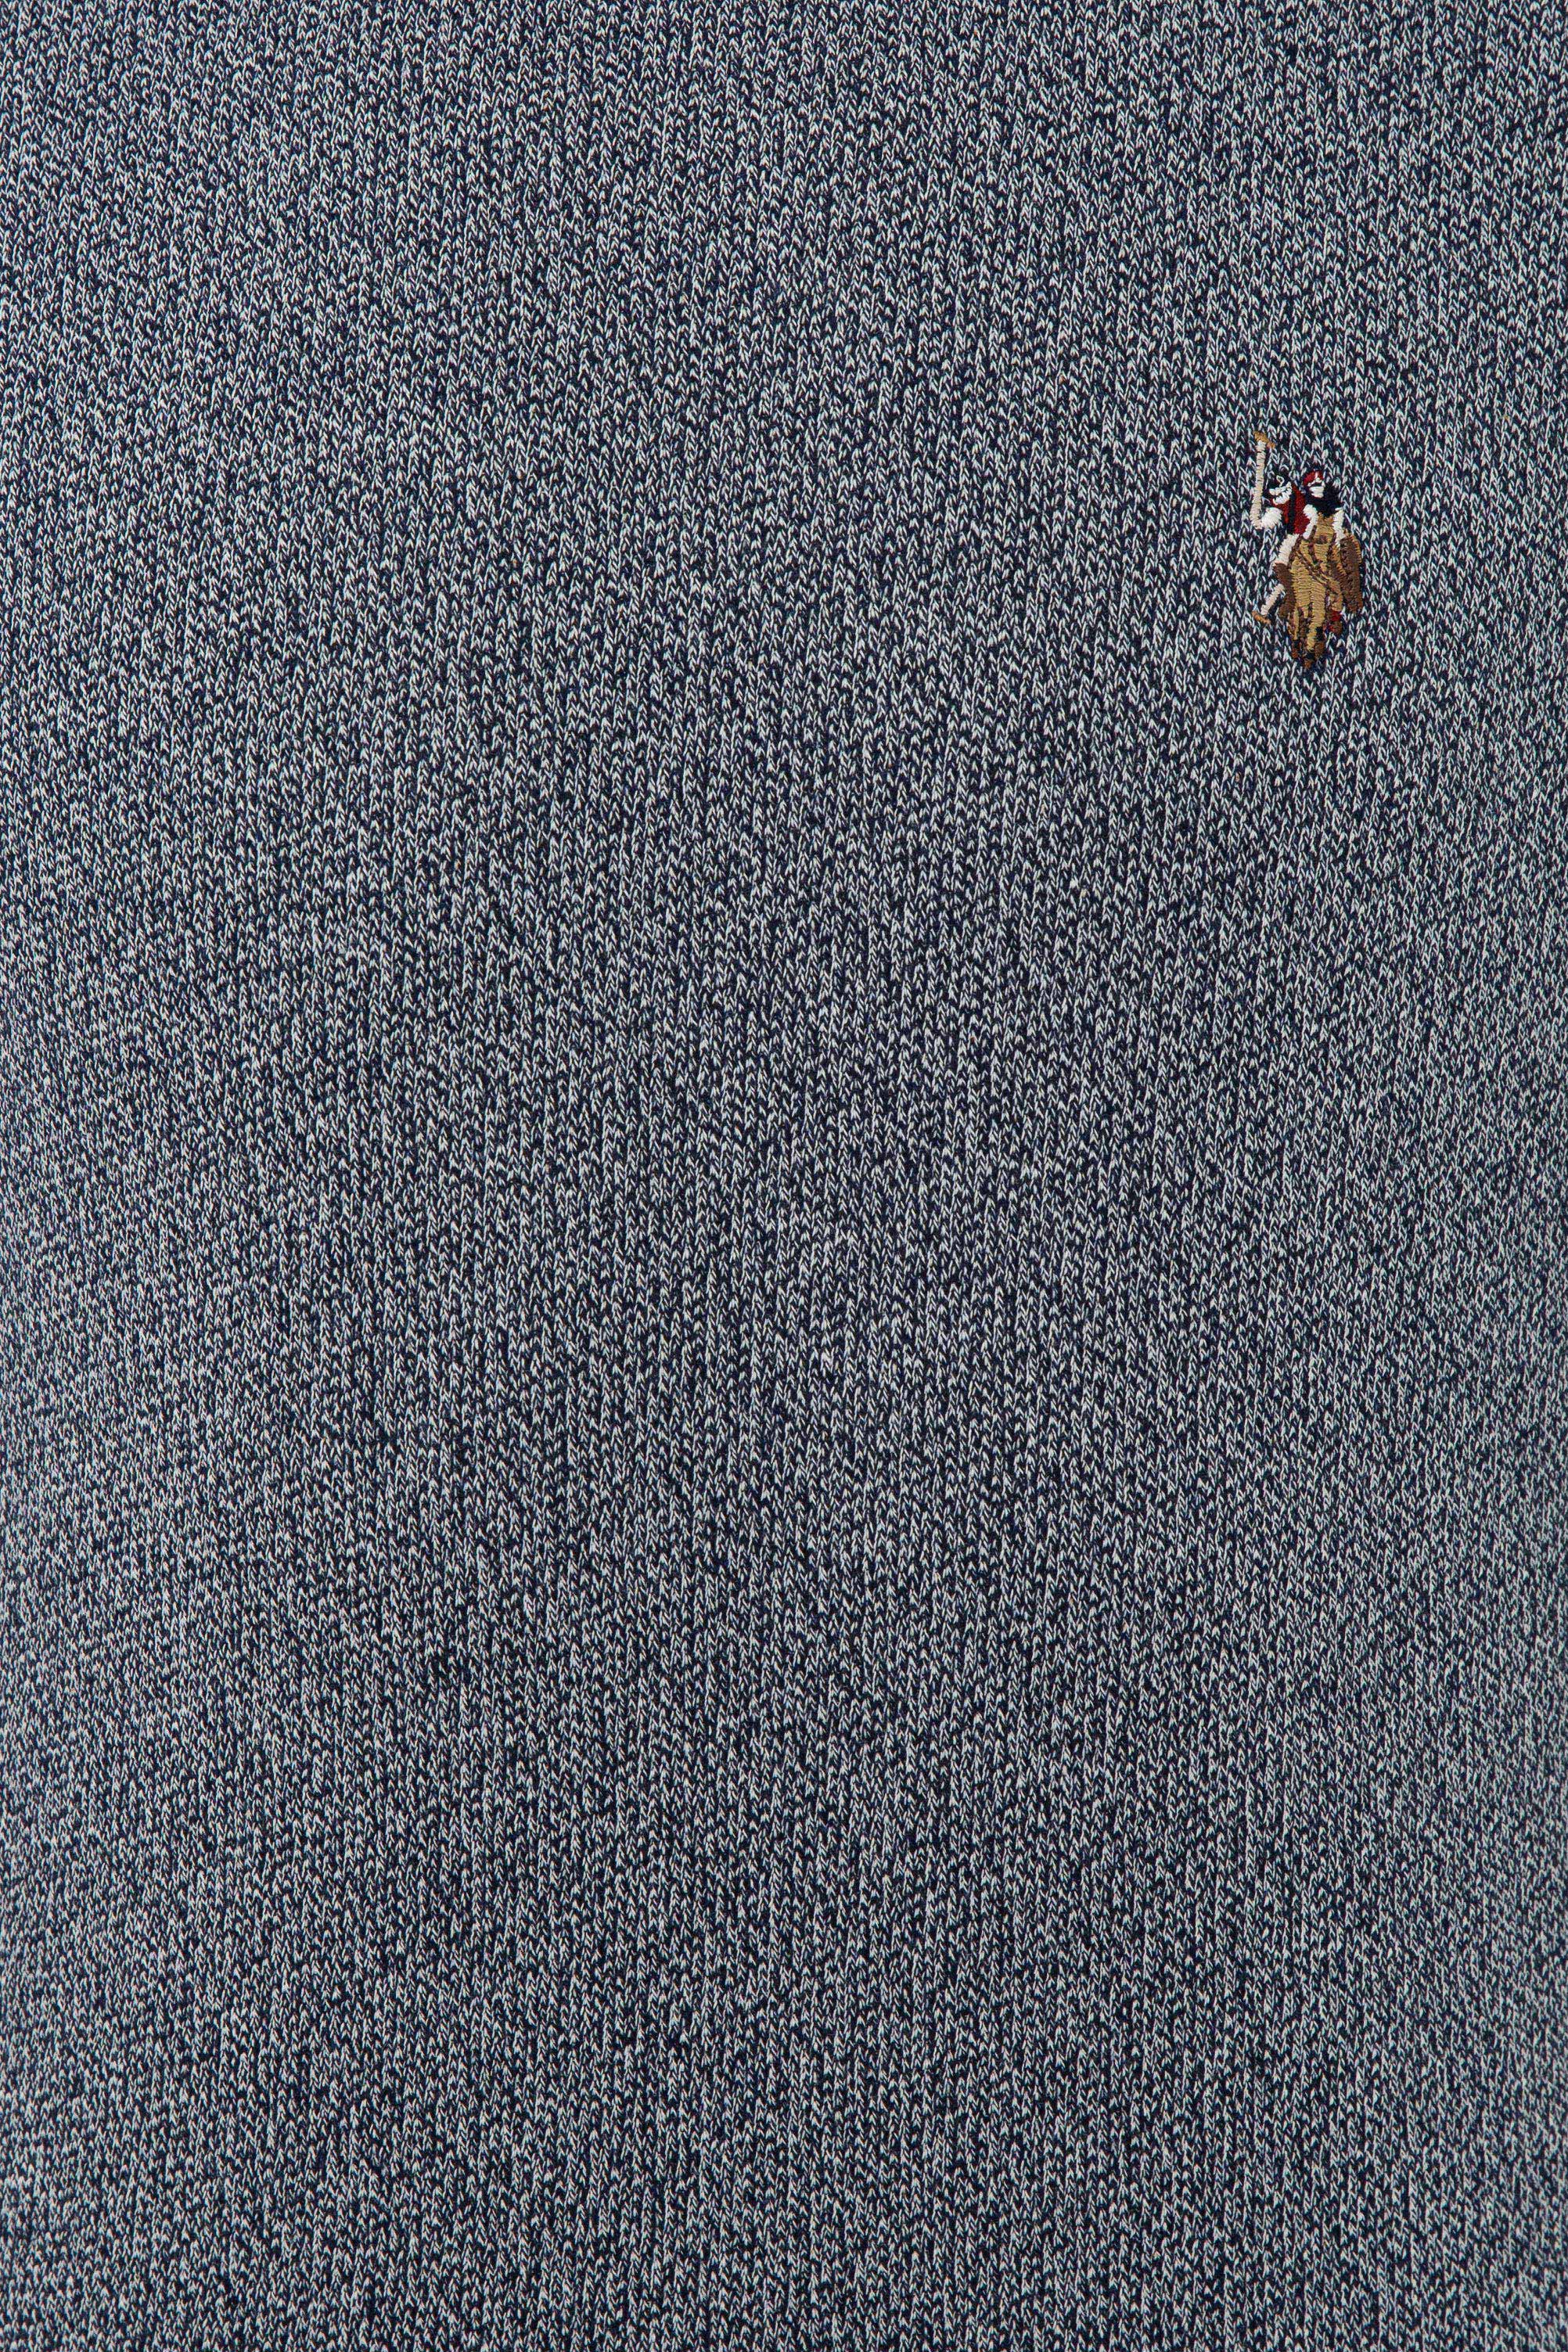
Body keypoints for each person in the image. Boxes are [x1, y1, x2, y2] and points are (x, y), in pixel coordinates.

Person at [1250, 435, 1350, 626]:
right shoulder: (1283, 505)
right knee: (1289, 580)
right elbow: (1265, 522)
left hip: (1309, 540)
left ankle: (1270, 611)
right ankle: (1271, 612)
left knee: (1296, 580)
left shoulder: (1302, 501)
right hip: (1297, 542)